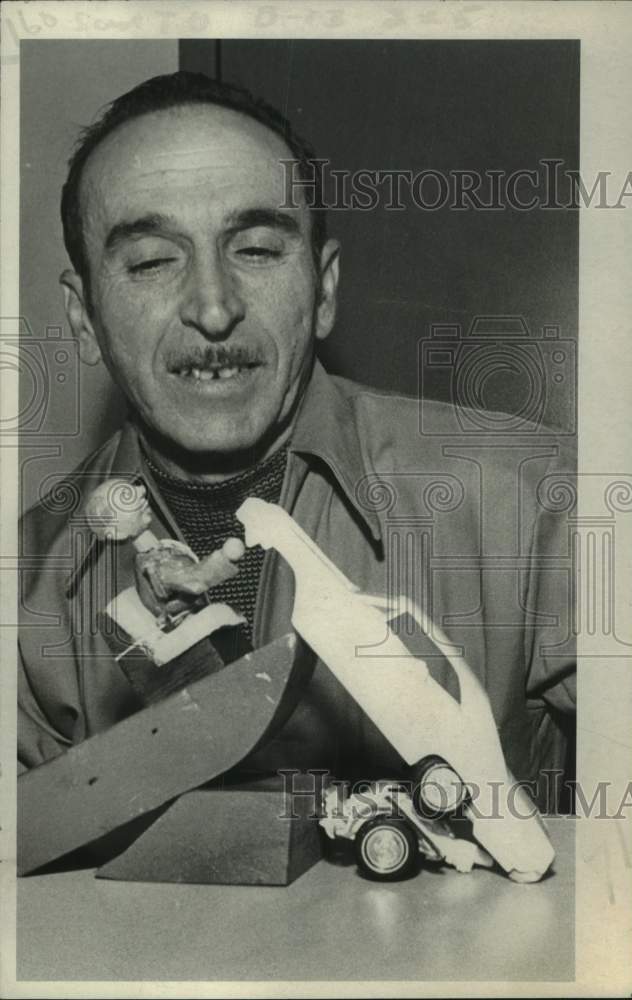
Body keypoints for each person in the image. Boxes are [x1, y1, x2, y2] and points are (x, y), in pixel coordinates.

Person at [19, 71, 575, 807]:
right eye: (153, 260)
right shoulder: (28, 585)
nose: (213, 308)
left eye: (254, 249)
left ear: (324, 290)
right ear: (84, 319)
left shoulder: (536, 504)